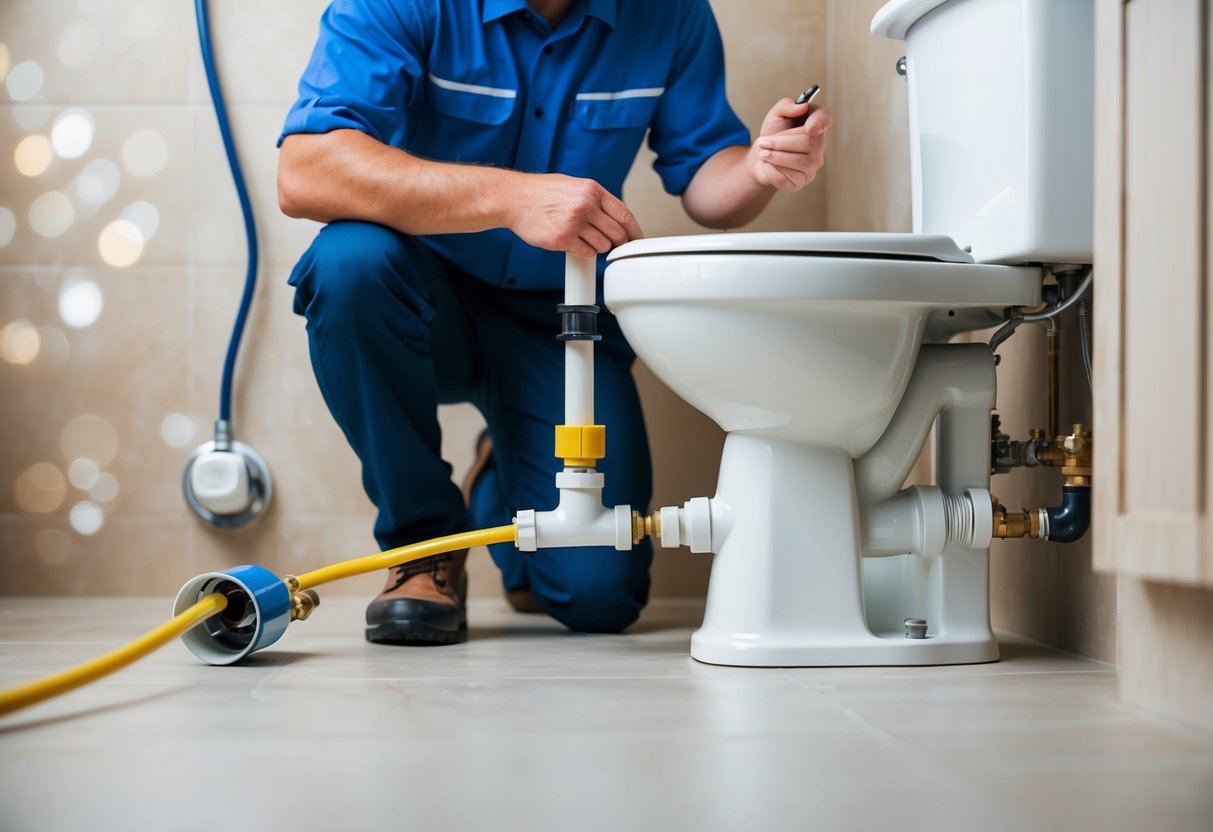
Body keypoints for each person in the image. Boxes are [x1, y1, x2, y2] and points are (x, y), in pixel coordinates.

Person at [277, 0, 832, 646]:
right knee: (347, 265)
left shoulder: (671, 14)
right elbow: (306, 170)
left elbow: (707, 180)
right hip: (425, 302)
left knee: (600, 598)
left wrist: (758, 168)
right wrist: (513, 197)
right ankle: (422, 544)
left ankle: (496, 478)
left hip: (560, 322)